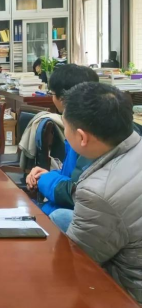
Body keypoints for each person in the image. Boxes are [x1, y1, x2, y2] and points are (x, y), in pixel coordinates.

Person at [63, 83, 142, 304]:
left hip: (128, 294)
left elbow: (77, 264)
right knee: (60, 217)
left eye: (65, 127)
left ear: (82, 137)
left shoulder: (97, 193)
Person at [25, 65, 99, 227]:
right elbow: (72, 175)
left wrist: (45, 179)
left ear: (65, 99)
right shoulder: (91, 126)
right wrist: (50, 174)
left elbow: (75, 191)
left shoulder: (88, 136)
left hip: (72, 216)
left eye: (52, 94)